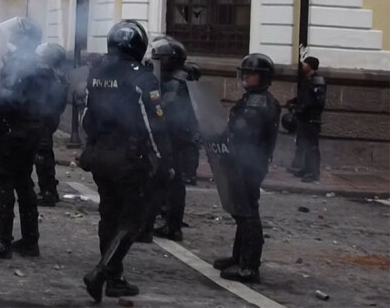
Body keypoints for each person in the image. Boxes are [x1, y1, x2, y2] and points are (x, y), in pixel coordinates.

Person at [80, 20, 173, 302]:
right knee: (131, 220)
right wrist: (165, 159)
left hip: (100, 155)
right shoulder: (141, 78)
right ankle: (101, 273)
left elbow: (87, 118)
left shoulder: (97, 72)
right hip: (129, 158)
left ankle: (115, 279)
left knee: (108, 216)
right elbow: (153, 125)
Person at [0, 17, 48, 259]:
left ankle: (2, 241)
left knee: (3, 180)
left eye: (15, 36)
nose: (10, 39)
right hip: (31, 131)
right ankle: (30, 240)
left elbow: (8, 98)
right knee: (24, 182)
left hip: (13, 131)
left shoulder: (19, 65)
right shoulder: (37, 64)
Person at [213, 53, 280, 283]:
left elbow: (240, 135)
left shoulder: (256, 104)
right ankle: (239, 257)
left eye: (251, 74)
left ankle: (248, 266)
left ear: (262, 78)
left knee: (247, 213)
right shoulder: (258, 99)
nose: (246, 77)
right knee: (244, 209)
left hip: (247, 164)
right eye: (245, 72)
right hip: (251, 163)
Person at [141, 36, 199, 243]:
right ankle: (169, 224)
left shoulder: (176, 83)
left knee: (164, 182)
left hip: (175, 139)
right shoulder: (178, 78)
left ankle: (164, 226)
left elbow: (164, 110)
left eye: (159, 59)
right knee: (171, 183)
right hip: (178, 139)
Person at [34, 43, 69, 206]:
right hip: (48, 119)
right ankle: (49, 188)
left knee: (42, 155)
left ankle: (47, 191)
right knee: (45, 153)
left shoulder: (48, 76)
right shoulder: (59, 76)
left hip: (43, 118)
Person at [287, 56, 326, 182]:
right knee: (303, 144)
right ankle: (305, 168)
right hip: (304, 118)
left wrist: (302, 109)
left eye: (305, 63)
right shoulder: (306, 79)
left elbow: (317, 101)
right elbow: (303, 96)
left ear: (311, 66)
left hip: (311, 119)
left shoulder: (318, 80)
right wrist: (293, 102)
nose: (303, 65)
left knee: (312, 146)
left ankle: (313, 172)